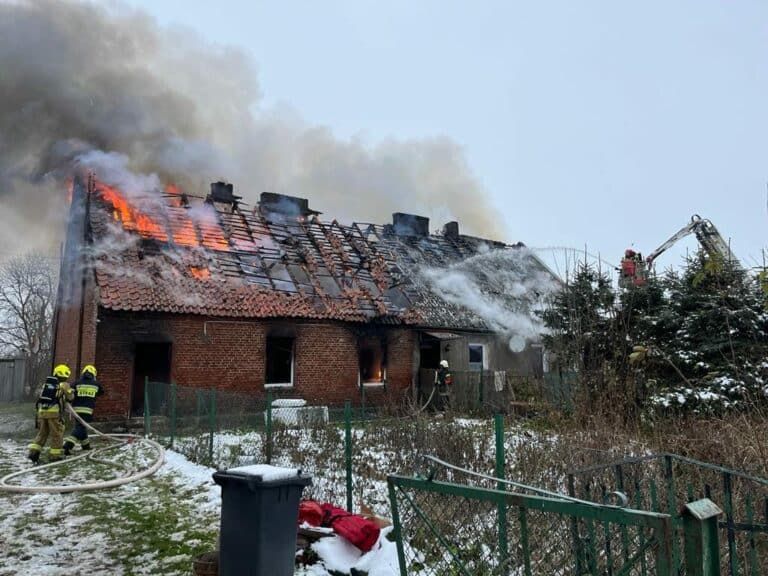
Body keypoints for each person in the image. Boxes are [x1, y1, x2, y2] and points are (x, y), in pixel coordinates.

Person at [28, 364, 73, 464]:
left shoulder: (46, 384)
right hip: (54, 414)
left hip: (42, 412)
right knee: (57, 434)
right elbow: (70, 397)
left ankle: (33, 453)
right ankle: (55, 456)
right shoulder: (64, 385)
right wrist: (71, 392)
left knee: (42, 433)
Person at [63, 365, 103, 456]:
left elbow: (69, 393)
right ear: (93, 374)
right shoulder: (96, 384)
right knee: (80, 428)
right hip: (88, 410)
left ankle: (86, 445)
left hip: (76, 410)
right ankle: (67, 446)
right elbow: (101, 392)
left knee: (81, 426)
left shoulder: (76, 383)